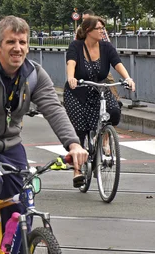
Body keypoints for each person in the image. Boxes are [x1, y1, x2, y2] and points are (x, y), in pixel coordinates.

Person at [0, 16, 87, 253]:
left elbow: (53, 109)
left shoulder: (34, 74)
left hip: (11, 143)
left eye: (22, 42)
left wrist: (73, 144)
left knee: (19, 206)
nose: (17, 48)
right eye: (10, 42)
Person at [64, 16, 135, 186]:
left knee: (114, 111)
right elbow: (71, 63)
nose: (103, 31)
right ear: (88, 31)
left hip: (99, 90)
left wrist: (128, 78)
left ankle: (104, 138)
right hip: (78, 92)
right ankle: (77, 170)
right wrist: (71, 78)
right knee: (80, 130)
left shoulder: (106, 47)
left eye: (104, 28)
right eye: (99, 28)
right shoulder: (76, 46)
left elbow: (117, 63)